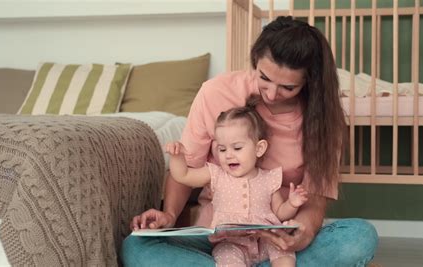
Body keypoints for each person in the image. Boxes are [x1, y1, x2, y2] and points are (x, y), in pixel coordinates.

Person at [121, 16, 378, 266]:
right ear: (255, 61)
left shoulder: (323, 117)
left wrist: (303, 236)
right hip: (218, 238)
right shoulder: (217, 92)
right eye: (264, 78)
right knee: (136, 248)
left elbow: (316, 196)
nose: (272, 94)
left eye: (288, 87)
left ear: (309, 82)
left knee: (359, 237)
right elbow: (185, 169)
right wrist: (169, 214)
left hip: (279, 238)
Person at [164, 99, 308, 267]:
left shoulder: (269, 179)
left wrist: (292, 203)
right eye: (222, 149)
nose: (228, 155)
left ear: (259, 148)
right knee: (226, 255)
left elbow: (280, 213)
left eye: (237, 148)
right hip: (231, 243)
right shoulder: (216, 174)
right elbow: (184, 175)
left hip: (265, 240)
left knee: (283, 250)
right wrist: (177, 157)